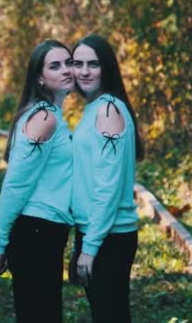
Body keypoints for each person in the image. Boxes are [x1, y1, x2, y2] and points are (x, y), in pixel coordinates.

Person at [0, 39, 75, 322]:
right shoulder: (44, 119)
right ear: (40, 77)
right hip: (36, 233)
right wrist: (0, 242)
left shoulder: (51, 115)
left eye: (68, 62)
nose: (66, 70)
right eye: (55, 65)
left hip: (46, 232)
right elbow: (15, 185)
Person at [68, 33, 145, 323]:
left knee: (110, 315)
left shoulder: (109, 110)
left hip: (109, 237)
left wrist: (89, 247)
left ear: (107, 68)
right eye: (78, 63)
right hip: (97, 232)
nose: (84, 71)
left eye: (93, 64)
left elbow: (108, 187)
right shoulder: (96, 108)